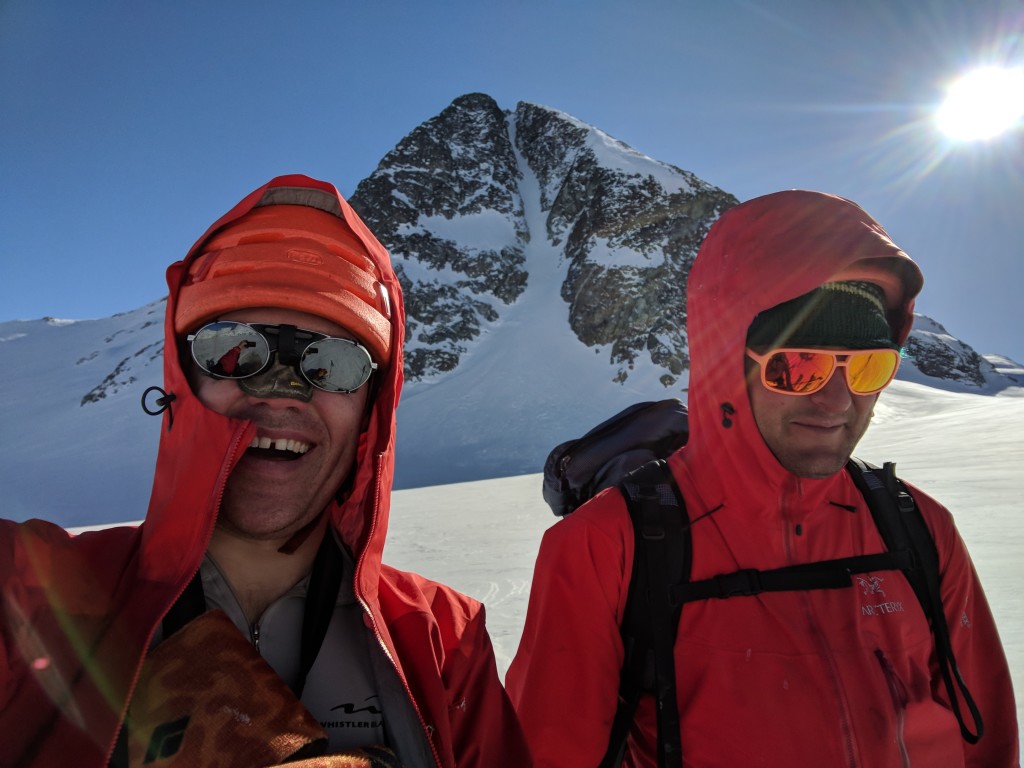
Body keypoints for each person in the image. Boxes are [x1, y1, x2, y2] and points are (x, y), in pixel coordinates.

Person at [0, 174, 531, 767]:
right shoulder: (33, 594)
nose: (281, 394)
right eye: (233, 349)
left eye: (332, 363)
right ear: (182, 380)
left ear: (369, 414)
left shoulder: (440, 639)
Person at [506, 190, 1019, 767]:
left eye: (870, 367)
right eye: (798, 366)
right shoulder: (608, 546)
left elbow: (989, 742)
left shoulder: (917, 528)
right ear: (730, 363)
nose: (837, 399)